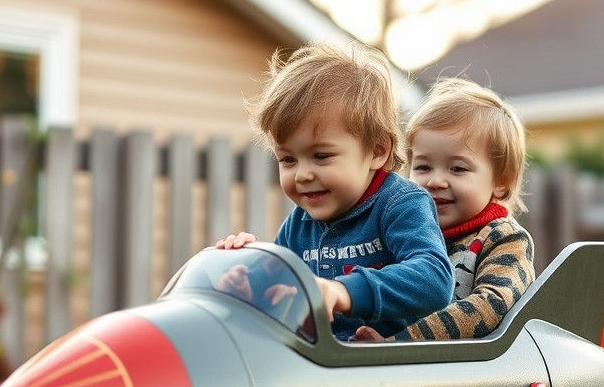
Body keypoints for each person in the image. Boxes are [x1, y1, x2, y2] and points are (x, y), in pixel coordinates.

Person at [215, 43, 454, 341]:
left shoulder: (399, 204)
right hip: (320, 360)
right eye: (287, 159)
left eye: (321, 156)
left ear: (377, 151)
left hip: (391, 360)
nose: (302, 174)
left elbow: (434, 279)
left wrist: (343, 291)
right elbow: (278, 289)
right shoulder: (298, 225)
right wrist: (246, 280)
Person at [354, 77, 534, 342]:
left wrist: (398, 345)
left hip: (464, 366)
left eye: (458, 168)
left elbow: (490, 306)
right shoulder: (401, 234)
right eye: (423, 167)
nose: (435, 181)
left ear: (501, 181)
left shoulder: (503, 238)